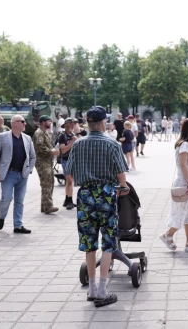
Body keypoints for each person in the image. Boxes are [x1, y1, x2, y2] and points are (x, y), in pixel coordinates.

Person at [64, 106, 129, 308]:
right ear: (102, 123)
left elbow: (70, 173)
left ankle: (91, 288)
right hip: (106, 194)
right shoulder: (112, 144)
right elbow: (121, 174)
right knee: (108, 241)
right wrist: (123, 187)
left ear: (88, 124)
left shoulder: (78, 144)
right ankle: (102, 290)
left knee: (89, 241)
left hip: (84, 195)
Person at [159, 119, 188, 252]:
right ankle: (168, 235)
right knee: (183, 212)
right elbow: (183, 165)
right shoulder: (184, 145)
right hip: (186, 182)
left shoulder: (184, 144)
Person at [0, 115, 37, 233]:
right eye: (22, 122)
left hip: (22, 174)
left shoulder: (27, 138)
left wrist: (29, 169)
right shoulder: (3, 137)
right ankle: (2, 216)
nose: (25, 124)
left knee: (19, 201)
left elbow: (33, 156)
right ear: (14, 123)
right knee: (6, 198)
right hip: (8, 174)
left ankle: (18, 225)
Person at [33, 115, 60, 214]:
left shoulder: (43, 133)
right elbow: (40, 148)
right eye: (49, 121)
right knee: (47, 184)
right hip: (42, 163)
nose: (51, 123)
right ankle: (48, 206)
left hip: (46, 162)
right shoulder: (39, 133)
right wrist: (52, 152)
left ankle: (44, 206)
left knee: (48, 183)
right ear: (44, 122)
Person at [59, 118, 78, 210]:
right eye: (71, 124)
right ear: (66, 125)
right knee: (69, 180)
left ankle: (67, 199)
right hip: (66, 159)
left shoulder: (73, 135)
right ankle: (69, 201)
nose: (73, 125)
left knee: (70, 181)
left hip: (73, 160)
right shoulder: (62, 136)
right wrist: (72, 142)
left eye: (74, 124)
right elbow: (63, 150)